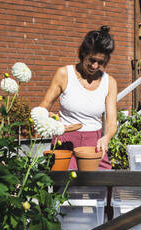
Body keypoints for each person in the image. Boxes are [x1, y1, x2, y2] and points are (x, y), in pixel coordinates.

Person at [39, 26, 117, 170]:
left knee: (102, 186)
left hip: (95, 141)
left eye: (101, 62)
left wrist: (106, 138)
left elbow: (112, 121)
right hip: (65, 140)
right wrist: (49, 118)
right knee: (64, 188)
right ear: (83, 53)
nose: (95, 66)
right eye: (92, 60)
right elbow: (43, 108)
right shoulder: (64, 74)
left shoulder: (110, 82)